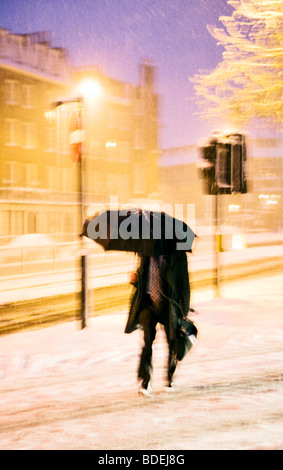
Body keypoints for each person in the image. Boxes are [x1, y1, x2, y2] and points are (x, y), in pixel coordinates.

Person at [125, 250, 191, 396]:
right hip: (148, 304)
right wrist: (135, 280)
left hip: (169, 304)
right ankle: (145, 382)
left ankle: (169, 380)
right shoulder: (145, 254)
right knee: (147, 343)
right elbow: (143, 280)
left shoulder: (177, 254)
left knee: (172, 342)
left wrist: (183, 310)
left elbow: (184, 282)